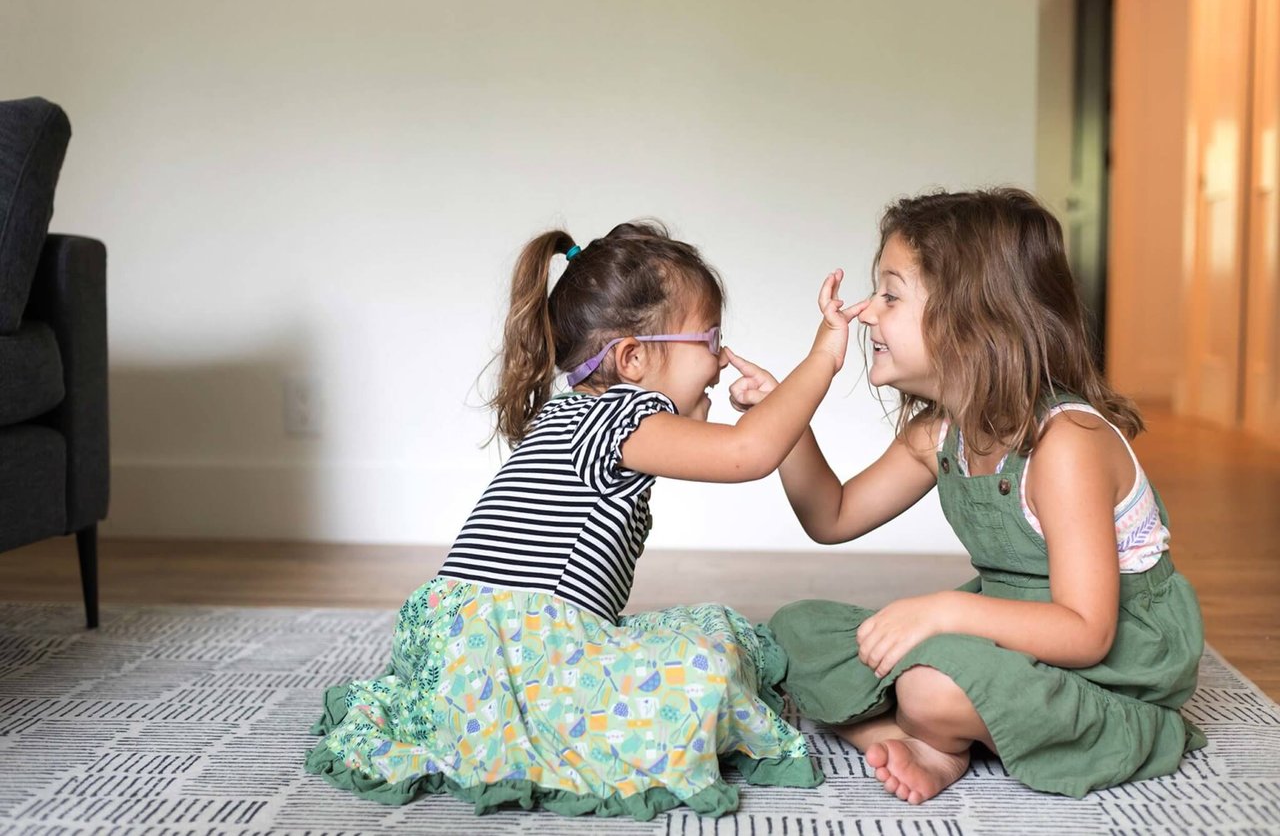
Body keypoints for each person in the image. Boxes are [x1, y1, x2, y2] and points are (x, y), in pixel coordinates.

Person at [306, 221, 863, 819]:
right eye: (710, 339)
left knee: (702, 639)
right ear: (632, 358)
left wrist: (766, 405)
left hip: (464, 649)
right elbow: (746, 453)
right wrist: (823, 358)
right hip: (522, 654)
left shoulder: (575, 412)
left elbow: (745, 442)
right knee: (708, 655)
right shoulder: (622, 418)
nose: (722, 360)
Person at [728, 188, 1205, 805]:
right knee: (797, 633)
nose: (867, 311)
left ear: (973, 321)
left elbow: (1087, 631)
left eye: (891, 295)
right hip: (1004, 637)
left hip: (1112, 668)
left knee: (932, 686)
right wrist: (780, 415)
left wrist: (942, 612)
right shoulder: (938, 435)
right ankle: (925, 741)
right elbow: (832, 515)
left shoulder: (1067, 443)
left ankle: (1113, 731)